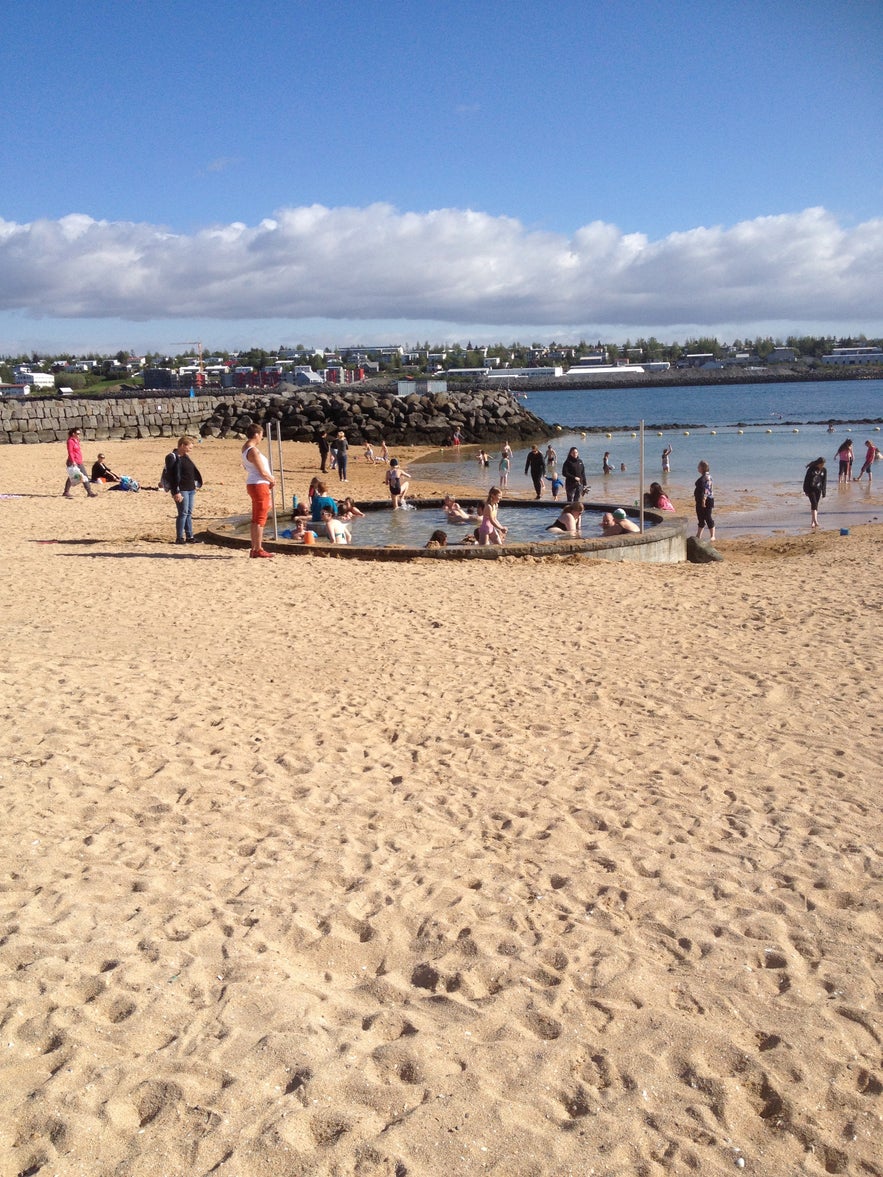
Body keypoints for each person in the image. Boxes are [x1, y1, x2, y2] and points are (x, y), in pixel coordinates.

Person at [242, 423, 276, 558]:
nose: (262, 437)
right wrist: (272, 479)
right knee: (261, 517)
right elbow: (262, 471)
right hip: (259, 484)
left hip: (254, 483)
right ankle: (258, 548)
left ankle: (255, 547)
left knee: (256, 517)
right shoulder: (253, 450)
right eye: (261, 434)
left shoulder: (245, 448)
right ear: (256, 434)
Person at [167, 435, 203, 545]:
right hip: (181, 489)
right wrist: (175, 492)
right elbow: (171, 476)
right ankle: (179, 538)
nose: (190, 450)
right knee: (183, 513)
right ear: (182, 445)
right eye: (190, 447)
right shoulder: (172, 457)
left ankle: (190, 536)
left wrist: (196, 483)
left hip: (190, 488)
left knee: (188, 513)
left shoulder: (186, 456)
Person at [62, 427, 97, 498]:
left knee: (83, 476)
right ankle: (66, 492)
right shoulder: (70, 441)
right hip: (73, 461)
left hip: (79, 461)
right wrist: (73, 461)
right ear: (73, 434)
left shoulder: (76, 440)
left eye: (79, 434)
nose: (79, 435)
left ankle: (89, 492)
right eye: (77, 434)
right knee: (72, 476)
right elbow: (70, 452)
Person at [694, 460, 715, 541]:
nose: (697, 468)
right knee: (700, 517)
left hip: (707, 500)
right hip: (700, 500)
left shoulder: (707, 477)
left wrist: (703, 500)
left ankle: (712, 535)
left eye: (698, 466)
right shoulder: (703, 476)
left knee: (708, 517)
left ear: (703, 468)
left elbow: (707, 489)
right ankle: (698, 535)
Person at [803, 457, 827, 529]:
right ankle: (815, 521)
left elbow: (824, 481)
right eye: (822, 464)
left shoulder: (824, 470)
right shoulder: (811, 469)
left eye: (823, 464)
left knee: (815, 505)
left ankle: (813, 522)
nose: (822, 466)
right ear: (818, 463)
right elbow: (806, 480)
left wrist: (823, 491)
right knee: (814, 503)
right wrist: (805, 490)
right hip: (810, 489)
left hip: (818, 489)